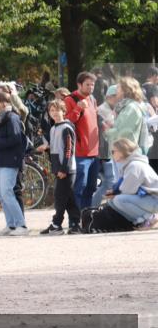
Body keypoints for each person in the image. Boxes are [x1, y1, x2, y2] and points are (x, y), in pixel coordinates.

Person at [0, 91, 28, 235]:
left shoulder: (12, 117)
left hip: (10, 160)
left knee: (7, 192)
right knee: (1, 194)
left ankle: (21, 225)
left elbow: (15, 139)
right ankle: (11, 225)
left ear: (3, 103)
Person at [40, 100, 80, 235]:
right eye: (51, 110)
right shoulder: (53, 128)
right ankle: (75, 224)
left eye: (57, 110)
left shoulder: (67, 128)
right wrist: (46, 147)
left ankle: (56, 224)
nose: (54, 113)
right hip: (58, 168)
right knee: (68, 198)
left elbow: (69, 149)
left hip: (67, 169)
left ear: (63, 111)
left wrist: (64, 168)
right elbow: (56, 147)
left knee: (60, 196)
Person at [62, 72, 99, 209]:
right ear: (79, 84)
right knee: (79, 188)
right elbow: (67, 122)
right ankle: (76, 219)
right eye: (87, 84)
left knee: (91, 187)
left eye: (92, 84)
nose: (91, 87)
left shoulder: (93, 99)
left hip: (94, 152)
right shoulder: (70, 99)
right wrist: (78, 107)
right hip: (80, 152)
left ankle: (86, 216)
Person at [105, 138, 158, 229]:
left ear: (121, 152)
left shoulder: (134, 165)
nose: (112, 154)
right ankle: (140, 222)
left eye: (113, 151)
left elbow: (128, 190)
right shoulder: (130, 164)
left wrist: (114, 193)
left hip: (154, 200)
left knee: (119, 199)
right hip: (151, 199)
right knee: (113, 201)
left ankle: (150, 218)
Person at [104, 77, 149, 155]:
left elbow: (123, 134)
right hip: (123, 154)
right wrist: (113, 126)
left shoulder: (131, 108)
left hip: (126, 155)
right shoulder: (126, 107)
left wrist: (107, 131)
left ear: (125, 90)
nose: (116, 90)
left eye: (118, 87)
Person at [92, 85, 120, 207]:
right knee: (110, 181)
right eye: (117, 96)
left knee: (109, 182)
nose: (119, 98)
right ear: (110, 96)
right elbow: (112, 126)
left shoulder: (113, 108)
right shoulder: (103, 109)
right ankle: (93, 206)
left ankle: (95, 206)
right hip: (105, 152)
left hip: (109, 151)